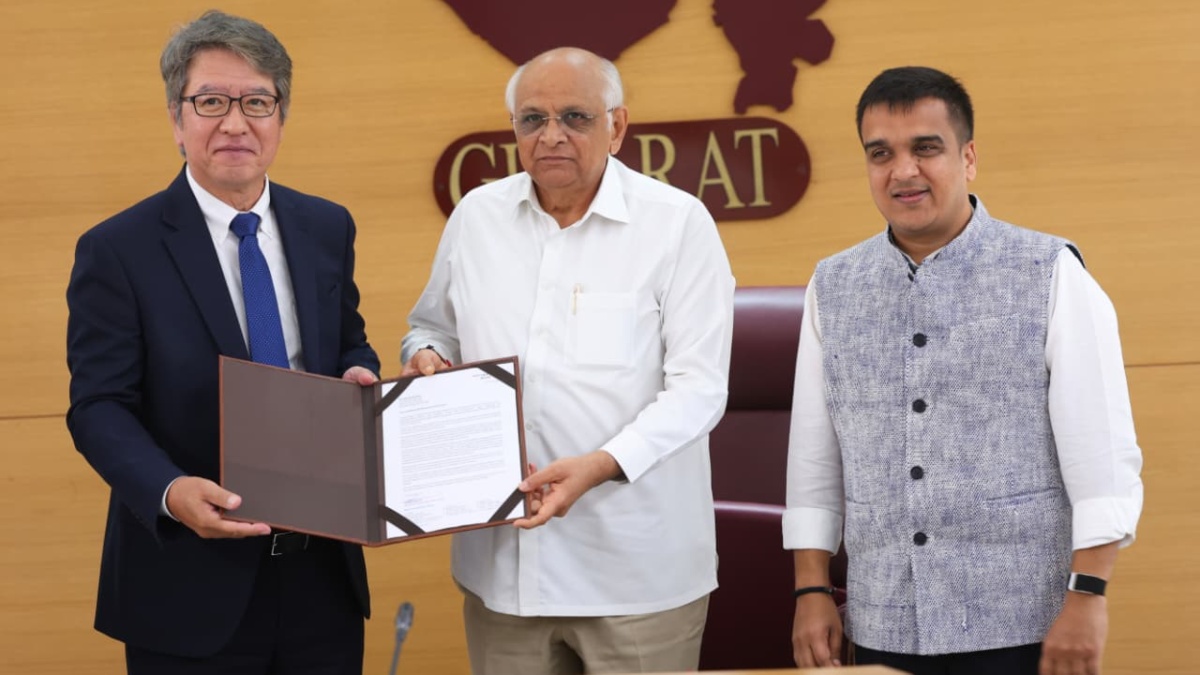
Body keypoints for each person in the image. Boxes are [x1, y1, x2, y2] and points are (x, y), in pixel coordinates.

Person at [783, 66, 1144, 675]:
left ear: (968, 157)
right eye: (880, 153)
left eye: (926, 148)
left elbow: (1101, 458)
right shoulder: (832, 285)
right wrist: (811, 589)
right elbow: (813, 459)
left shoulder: (1049, 271)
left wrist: (1088, 596)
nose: (903, 171)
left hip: (1023, 620)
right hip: (883, 619)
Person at [401, 47, 734, 674]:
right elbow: (432, 328)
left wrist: (599, 466)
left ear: (617, 126)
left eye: (575, 117)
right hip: (502, 571)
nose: (551, 135)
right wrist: (426, 356)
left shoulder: (676, 224)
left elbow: (699, 390)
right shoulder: (477, 217)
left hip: (634, 573)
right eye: (533, 119)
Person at [65, 10, 379, 674]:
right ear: (176, 119)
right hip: (187, 583)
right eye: (211, 101)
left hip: (322, 578)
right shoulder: (118, 249)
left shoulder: (327, 226)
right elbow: (98, 405)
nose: (235, 123)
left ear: (281, 117)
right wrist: (170, 490)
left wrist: (359, 372)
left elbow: (349, 342)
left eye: (256, 102)